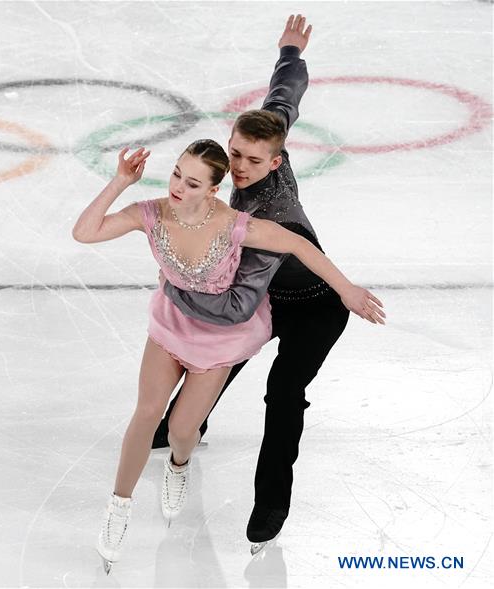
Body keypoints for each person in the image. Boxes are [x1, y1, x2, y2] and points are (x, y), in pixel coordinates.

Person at [72, 136, 383, 573]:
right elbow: (84, 233)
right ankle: (118, 506)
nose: (178, 187)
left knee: (182, 430)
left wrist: (346, 289)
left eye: (193, 183)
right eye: (177, 174)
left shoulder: (235, 225)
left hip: (219, 338)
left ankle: (179, 464)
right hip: (172, 326)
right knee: (147, 412)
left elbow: (299, 245)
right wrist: (120, 181)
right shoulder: (151, 213)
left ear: (213, 190)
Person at [150, 15, 375, 555]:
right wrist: (290, 53)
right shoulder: (267, 137)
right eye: (235, 155)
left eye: (254, 161)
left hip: (315, 307)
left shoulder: (272, 222)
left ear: (276, 160)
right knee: (223, 355)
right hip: (271, 297)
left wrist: (177, 283)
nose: (240, 168)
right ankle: (186, 421)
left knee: (282, 392)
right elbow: (284, 97)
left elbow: (236, 306)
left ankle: (271, 503)